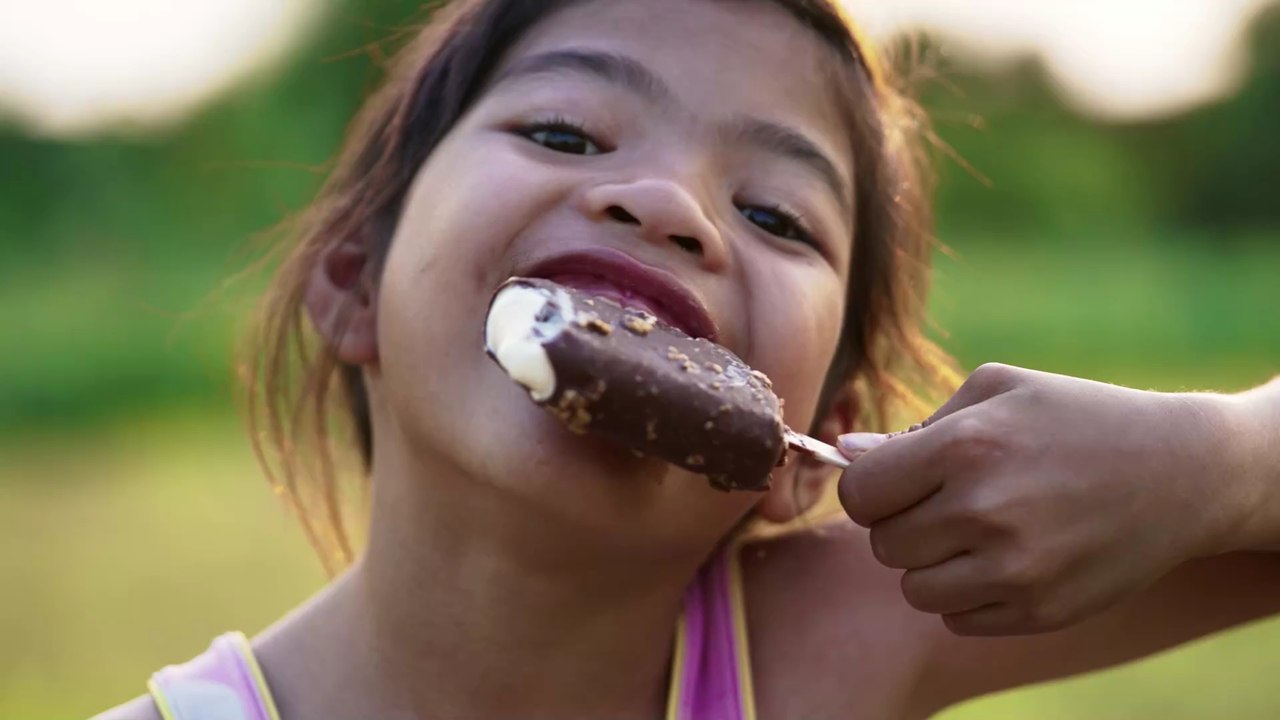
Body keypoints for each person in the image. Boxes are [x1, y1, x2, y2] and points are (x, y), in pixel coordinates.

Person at [94, 0, 1280, 718]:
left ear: (811, 446)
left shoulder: (843, 639)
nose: (667, 204)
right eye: (562, 131)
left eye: (773, 214)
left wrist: (1214, 461)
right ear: (356, 280)